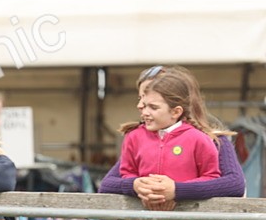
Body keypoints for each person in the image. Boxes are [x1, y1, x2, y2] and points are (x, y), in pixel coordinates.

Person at [102, 67, 227, 220]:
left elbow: (211, 177)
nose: (143, 111)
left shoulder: (199, 139)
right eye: (143, 104)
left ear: (176, 111)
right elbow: (126, 173)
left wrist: (177, 191)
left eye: (153, 106)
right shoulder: (133, 138)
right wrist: (137, 185)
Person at [99, 65, 245, 210]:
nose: (140, 105)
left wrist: (176, 191)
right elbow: (109, 183)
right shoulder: (140, 137)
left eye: (146, 96)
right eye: (141, 97)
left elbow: (234, 184)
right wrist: (142, 188)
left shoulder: (212, 138)